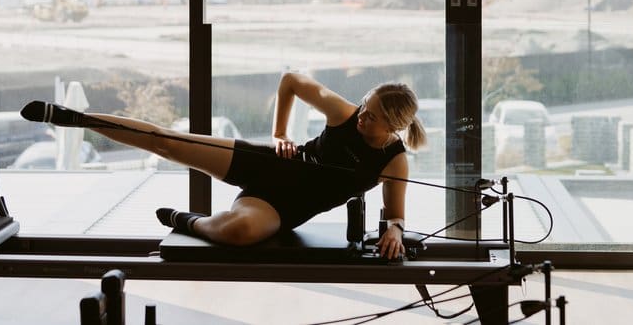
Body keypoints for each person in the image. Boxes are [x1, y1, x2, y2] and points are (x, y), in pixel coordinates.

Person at [29, 72, 426, 259]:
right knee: (168, 142)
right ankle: (80, 119)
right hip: (267, 164)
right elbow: (290, 80)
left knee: (238, 232)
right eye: (365, 107)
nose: (361, 117)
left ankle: (187, 221)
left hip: (284, 208)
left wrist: (394, 231)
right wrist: (279, 133)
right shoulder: (344, 112)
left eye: (371, 117)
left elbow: (396, 216)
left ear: (393, 126)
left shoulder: (394, 162)